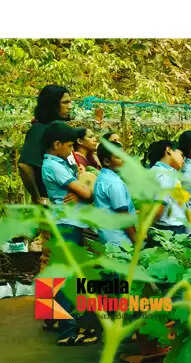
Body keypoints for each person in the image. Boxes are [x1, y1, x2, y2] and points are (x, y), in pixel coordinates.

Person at [40, 121, 97, 346]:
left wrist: (80, 186)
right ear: (56, 144)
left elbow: (79, 187)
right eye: (69, 145)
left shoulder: (59, 163)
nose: (72, 150)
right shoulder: (53, 166)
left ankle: (58, 321)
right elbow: (87, 192)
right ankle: (68, 332)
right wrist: (86, 190)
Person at [19, 84, 72, 205]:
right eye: (65, 102)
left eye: (70, 102)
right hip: (49, 204)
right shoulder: (39, 129)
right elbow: (24, 166)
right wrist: (38, 197)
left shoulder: (55, 128)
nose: (70, 107)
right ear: (52, 105)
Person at [93, 140, 136, 246]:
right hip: (119, 239)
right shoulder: (114, 183)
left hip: (107, 236)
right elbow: (123, 215)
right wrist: (135, 239)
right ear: (107, 161)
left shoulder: (102, 177)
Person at [146, 140, 188, 238]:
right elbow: (159, 206)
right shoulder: (165, 174)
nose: (183, 160)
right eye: (181, 155)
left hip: (165, 227)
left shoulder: (154, 171)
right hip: (170, 229)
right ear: (168, 150)